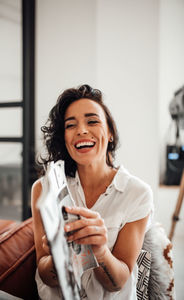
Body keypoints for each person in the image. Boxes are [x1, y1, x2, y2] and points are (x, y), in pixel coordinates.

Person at [32, 84, 154, 300]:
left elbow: (118, 282)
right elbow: (45, 274)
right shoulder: (44, 188)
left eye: (92, 121)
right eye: (71, 125)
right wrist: (57, 256)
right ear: (65, 139)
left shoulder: (137, 194)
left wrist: (100, 251)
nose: (81, 130)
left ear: (110, 134)